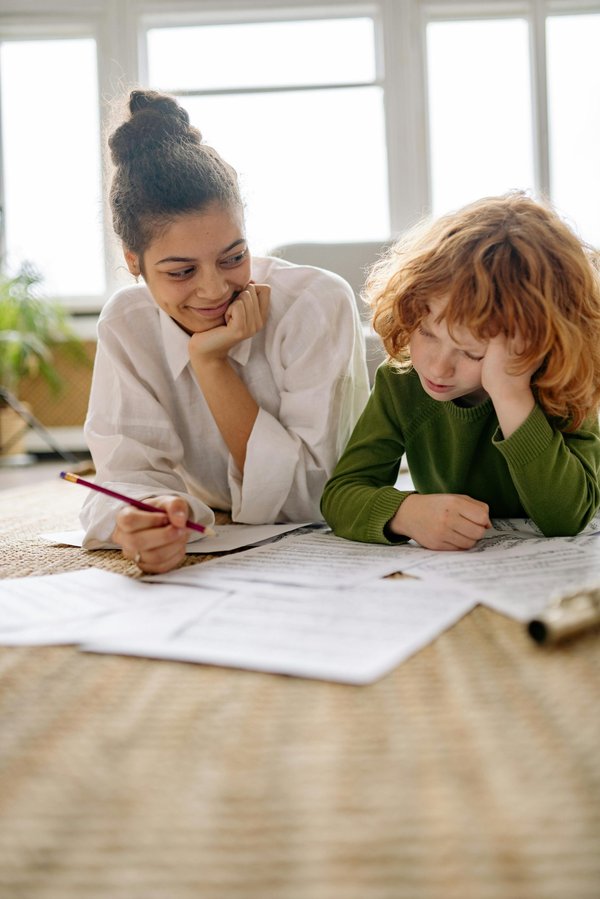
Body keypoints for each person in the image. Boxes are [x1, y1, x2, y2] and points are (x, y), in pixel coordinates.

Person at [81, 89, 369, 572]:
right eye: (180, 272)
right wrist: (144, 516)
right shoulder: (127, 323)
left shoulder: (315, 304)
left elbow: (316, 498)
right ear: (134, 262)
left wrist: (211, 363)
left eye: (233, 257)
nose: (215, 290)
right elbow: (124, 475)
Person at [321, 192, 600, 550]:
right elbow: (341, 495)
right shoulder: (401, 383)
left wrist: (510, 393)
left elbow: (567, 518)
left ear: (537, 347)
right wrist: (406, 512)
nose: (438, 367)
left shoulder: (569, 384)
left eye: (471, 352)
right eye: (426, 332)